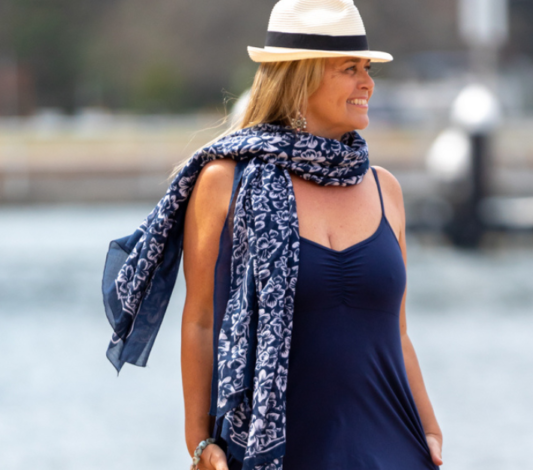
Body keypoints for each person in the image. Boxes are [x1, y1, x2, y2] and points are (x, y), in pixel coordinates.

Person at [101, 1, 442, 469]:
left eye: (367, 67)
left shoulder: (386, 190)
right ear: (301, 77)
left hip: (394, 447)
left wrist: (429, 426)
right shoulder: (225, 182)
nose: (368, 83)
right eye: (350, 69)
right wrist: (198, 441)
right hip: (275, 451)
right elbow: (200, 320)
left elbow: (397, 334)